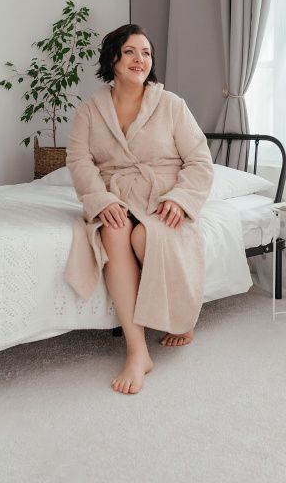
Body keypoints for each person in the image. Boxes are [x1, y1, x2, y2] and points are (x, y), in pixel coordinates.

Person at [65, 24, 214, 395]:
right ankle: (137, 351)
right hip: (116, 196)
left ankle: (182, 318)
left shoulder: (172, 105)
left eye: (146, 53)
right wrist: (101, 199)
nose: (139, 59)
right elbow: (79, 161)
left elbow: (199, 161)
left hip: (162, 199)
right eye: (130, 51)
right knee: (114, 232)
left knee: (144, 236)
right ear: (113, 58)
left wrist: (181, 198)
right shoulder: (90, 111)